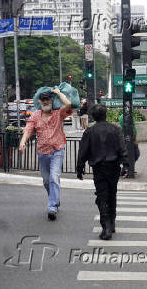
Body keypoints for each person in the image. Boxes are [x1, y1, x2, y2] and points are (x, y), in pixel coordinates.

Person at [19, 89, 73, 221]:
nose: (45, 102)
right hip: (42, 152)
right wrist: (22, 142)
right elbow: (28, 130)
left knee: (54, 177)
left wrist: (58, 93)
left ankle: (52, 207)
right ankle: (54, 198)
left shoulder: (58, 113)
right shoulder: (35, 116)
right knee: (46, 181)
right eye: (43, 100)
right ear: (39, 101)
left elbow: (69, 104)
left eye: (47, 99)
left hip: (57, 150)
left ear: (51, 100)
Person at [76, 104, 128, 240]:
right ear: (105, 115)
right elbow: (122, 148)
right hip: (114, 166)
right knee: (112, 194)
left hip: (99, 168)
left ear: (93, 116)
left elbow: (83, 151)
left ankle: (106, 226)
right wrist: (126, 165)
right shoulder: (115, 129)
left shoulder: (89, 131)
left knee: (102, 196)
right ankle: (111, 222)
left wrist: (79, 167)